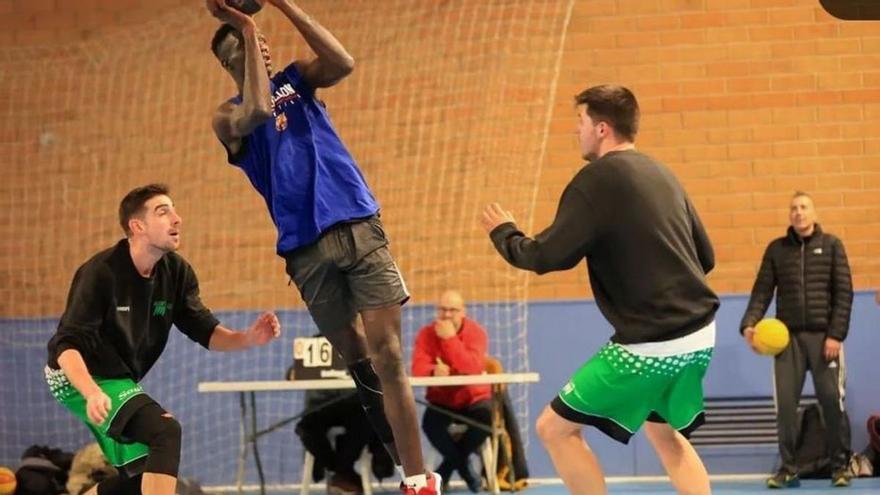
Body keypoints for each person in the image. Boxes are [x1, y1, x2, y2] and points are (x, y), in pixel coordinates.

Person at [205, 1, 438, 493]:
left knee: (389, 355)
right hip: (304, 253)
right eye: (249, 47)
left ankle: (419, 481)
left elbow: (344, 62)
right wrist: (245, 25)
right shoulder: (228, 117)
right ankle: (402, 467)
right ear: (230, 62)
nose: (261, 49)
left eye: (263, 44)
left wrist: (282, 4)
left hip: (356, 223)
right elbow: (259, 110)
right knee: (359, 363)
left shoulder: (297, 79)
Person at [480, 85, 718, 495]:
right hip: (700, 335)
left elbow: (545, 256)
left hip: (651, 347)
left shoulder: (595, 181)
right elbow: (706, 256)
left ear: (602, 128)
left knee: (554, 429)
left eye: (581, 122)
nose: (577, 131)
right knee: (665, 435)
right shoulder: (663, 173)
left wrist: (505, 233)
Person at [44, 184, 282, 495]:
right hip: (76, 375)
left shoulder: (176, 272)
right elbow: (68, 345)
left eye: (174, 209)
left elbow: (205, 330)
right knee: (165, 430)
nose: (177, 218)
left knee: (140, 479)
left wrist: (248, 338)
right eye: (163, 211)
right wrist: (90, 392)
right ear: (137, 226)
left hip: (117, 379)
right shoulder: (101, 272)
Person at [740, 191, 854, 488]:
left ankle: (840, 468)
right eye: (793, 208)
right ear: (789, 215)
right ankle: (789, 469)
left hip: (823, 340)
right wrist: (748, 325)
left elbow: (844, 294)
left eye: (804, 207)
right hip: (787, 341)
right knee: (786, 407)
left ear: (814, 214)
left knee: (832, 403)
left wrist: (835, 335)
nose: (798, 212)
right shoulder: (777, 250)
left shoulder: (832, 246)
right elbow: (762, 291)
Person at [411, 291, 492, 493]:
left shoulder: (476, 332)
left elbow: (472, 368)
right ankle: (466, 472)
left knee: (486, 421)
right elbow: (417, 369)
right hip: (441, 402)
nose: (447, 315)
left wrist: (449, 339)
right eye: (442, 309)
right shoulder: (425, 334)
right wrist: (432, 371)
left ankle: (444, 472)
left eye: (453, 310)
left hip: (474, 399)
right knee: (430, 425)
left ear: (463, 312)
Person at [286, 355, 394, 494]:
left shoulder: (360, 343)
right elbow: (297, 370)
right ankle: (343, 473)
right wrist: (293, 373)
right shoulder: (316, 344)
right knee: (306, 427)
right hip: (321, 405)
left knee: (368, 420)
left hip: (354, 404)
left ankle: (341, 475)